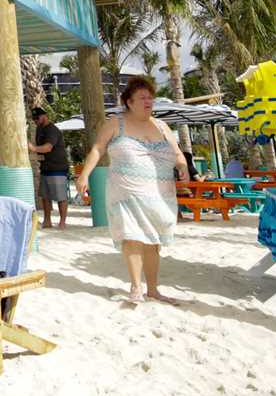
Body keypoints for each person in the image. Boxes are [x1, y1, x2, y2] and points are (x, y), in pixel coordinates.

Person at [77, 76, 189, 304]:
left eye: (150, 97)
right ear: (129, 101)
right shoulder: (115, 122)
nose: (148, 101)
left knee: (153, 241)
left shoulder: (162, 126)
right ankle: (136, 286)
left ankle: (153, 289)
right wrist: (84, 174)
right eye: (142, 98)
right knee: (132, 236)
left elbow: (178, 154)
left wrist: (183, 167)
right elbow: (98, 149)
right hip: (125, 192)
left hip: (160, 193)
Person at [28, 107, 69, 229]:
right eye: (33, 119)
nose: (35, 121)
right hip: (45, 167)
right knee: (45, 196)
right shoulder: (39, 129)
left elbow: (47, 148)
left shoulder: (52, 130)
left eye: (37, 118)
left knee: (61, 196)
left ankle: (62, 222)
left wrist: (33, 149)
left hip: (58, 167)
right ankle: (47, 221)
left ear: (44, 116)